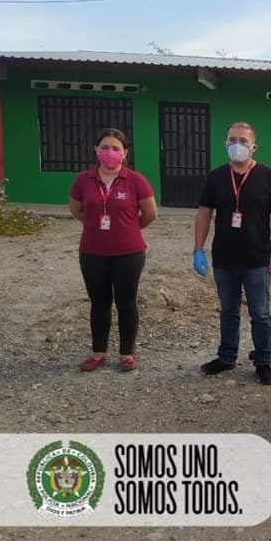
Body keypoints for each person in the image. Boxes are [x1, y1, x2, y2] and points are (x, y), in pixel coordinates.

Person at [193, 122, 271, 386]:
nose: (238, 145)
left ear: (254, 146)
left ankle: (263, 361)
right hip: (224, 258)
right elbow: (204, 213)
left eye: (243, 141)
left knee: (260, 313)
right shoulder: (215, 177)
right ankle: (226, 357)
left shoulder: (268, 176)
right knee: (228, 311)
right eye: (232, 139)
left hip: (257, 258)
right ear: (225, 143)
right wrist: (197, 249)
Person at [69, 128, 158, 372]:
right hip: (92, 252)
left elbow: (151, 213)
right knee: (99, 302)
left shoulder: (135, 180)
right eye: (105, 147)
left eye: (116, 148)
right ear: (96, 150)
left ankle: (127, 353)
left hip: (129, 253)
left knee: (126, 302)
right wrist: (95, 226)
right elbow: (76, 209)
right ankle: (98, 352)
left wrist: (130, 228)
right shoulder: (83, 180)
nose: (110, 152)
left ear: (125, 153)